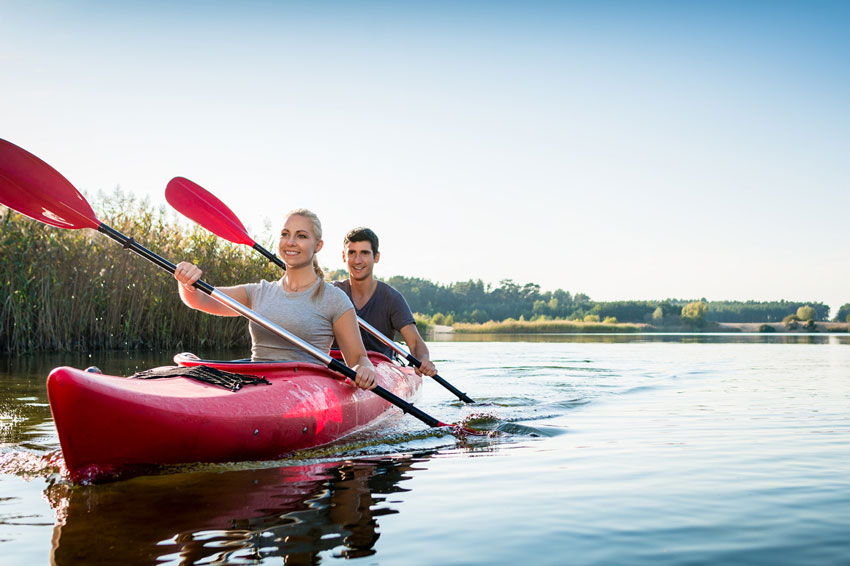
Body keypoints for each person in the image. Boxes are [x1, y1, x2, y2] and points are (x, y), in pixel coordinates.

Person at [173, 209, 377, 390]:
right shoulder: (258, 292)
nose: (290, 242)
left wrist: (364, 369)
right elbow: (200, 300)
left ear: (318, 245)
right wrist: (187, 283)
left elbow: (358, 358)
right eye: (285, 234)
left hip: (306, 392)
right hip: (255, 385)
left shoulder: (334, 299)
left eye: (302, 236)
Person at [332, 227, 437, 377]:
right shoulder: (330, 293)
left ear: (376, 257)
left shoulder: (392, 298)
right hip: (337, 368)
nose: (357, 260)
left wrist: (423, 360)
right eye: (352, 253)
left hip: (381, 372)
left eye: (365, 253)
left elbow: (415, 343)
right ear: (344, 256)